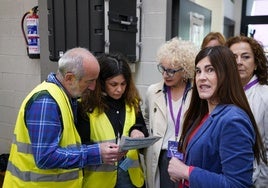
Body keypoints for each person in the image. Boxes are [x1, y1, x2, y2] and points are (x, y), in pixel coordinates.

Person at [3, 47, 120, 188]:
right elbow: (46, 158)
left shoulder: (64, 97)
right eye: (89, 81)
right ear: (69, 78)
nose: (93, 87)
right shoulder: (46, 101)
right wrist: (96, 153)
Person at [167, 46, 267, 188]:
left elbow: (237, 184)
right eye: (198, 71)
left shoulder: (233, 120)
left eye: (210, 70)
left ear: (226, 74)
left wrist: (187, 172)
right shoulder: (204, 114)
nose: (201, 77)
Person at [77, 53, 148, 188]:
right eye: (113, 84)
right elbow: (79, 145)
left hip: (131, 179)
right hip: (99, 181)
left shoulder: (132, 102)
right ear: (101, 83)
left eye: (123, 84)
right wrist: (99, 151)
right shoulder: (86, 106)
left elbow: (140, 126)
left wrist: (137, 131)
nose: (119, 89)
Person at [144, 37, 198, 188]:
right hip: (161, 156)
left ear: (185, 69)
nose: (165, 75)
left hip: (188, 156)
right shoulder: (153, 91)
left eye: (171, 71)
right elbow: (147, 119)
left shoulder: (197, 93)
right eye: (163, 69)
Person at [226, 36, 268, 188]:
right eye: (233, 57)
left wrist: (261, 183)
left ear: (256, 63)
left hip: (254, 179)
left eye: (246, 57)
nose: (238, 62)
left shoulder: (265, 96)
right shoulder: (221, 94)